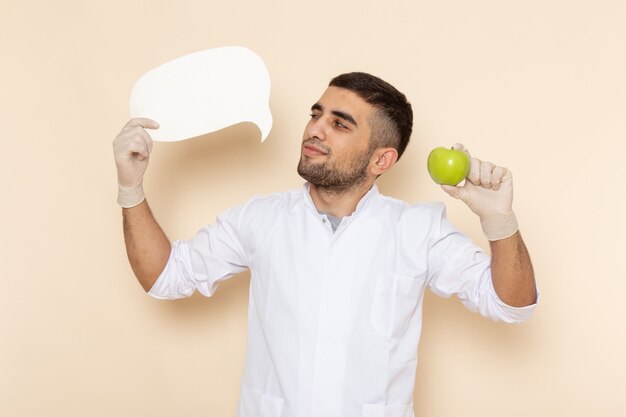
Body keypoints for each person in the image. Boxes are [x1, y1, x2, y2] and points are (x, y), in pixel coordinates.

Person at [113, 72, 537, 417]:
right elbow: (165, 277)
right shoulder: (259, 219)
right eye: (316, 115)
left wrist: (497, 219)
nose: (314, 129)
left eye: (339, 123)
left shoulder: (418, 230)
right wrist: (131, 187)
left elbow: (511, 305)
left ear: (381, 160)